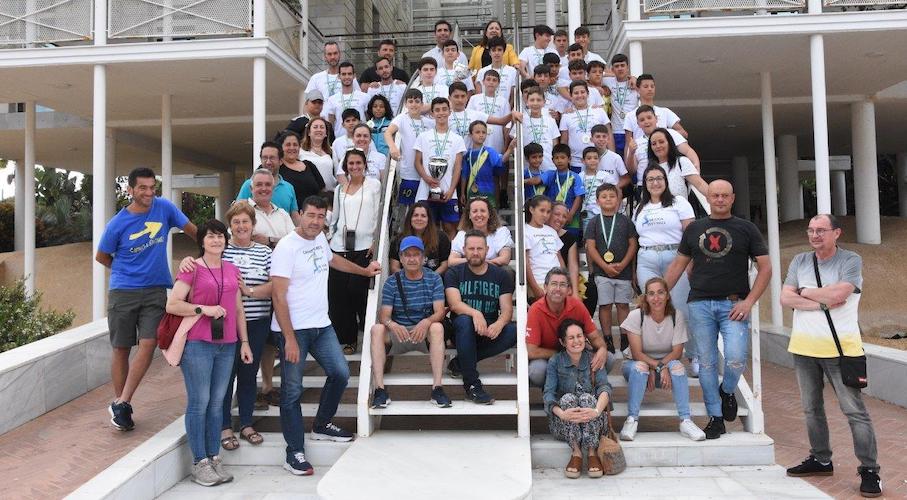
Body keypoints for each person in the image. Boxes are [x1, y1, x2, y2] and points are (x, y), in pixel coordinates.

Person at [271, 195, 381, 476]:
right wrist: (290, 339)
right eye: (311, 215)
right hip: (293, 329)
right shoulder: (286, 247)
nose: (315, 221)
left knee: (341, 372)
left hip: (321, 325)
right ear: (301, 215)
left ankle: (321, 425)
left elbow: (335, 261)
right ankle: (293, 451)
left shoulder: (320, 239)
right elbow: (279, 297)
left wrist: (364, 271)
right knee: (292, 391)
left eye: (321, 217)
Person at [781, 214, 881, 498]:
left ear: (836, 233)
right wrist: (821, 304)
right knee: (811, 409)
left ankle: (870, 470)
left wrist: (804, 292)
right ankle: (821, 459)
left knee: (855, 412)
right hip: (803, 347)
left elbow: (843, 291)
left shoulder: (850, 261)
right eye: (811, 230)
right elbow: (785, 298)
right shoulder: (800, 261)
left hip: (842, 350)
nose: (815, 235)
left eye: (821, 230)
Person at [663, 180, 771, 440]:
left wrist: (749, 302)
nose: (720, 199)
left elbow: (766, 268)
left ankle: (727, 390)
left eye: (724, 195)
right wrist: (656, 295)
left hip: (734, 304)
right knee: (708, 363)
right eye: (715, 195)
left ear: (732, 198)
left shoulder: (747, 228)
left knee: (735, 357)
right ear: (708, 197)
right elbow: (679, 265)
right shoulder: (694, 229)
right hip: (699, 304)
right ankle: (716, 418)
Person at [96, 167, 197, 431]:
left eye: (153, 187)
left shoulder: (164, 208)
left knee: (149, 342)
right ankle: (123, 407)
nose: (149, 192)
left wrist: (212, 249)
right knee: (120, 348)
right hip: (123, 292)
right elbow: (102, 256)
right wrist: (127, 271)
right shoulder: (117, 224)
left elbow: (193, 231)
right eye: (143, 188)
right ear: (130, 190)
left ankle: (122, 401)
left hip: (155, 290)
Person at [166, 219, 251, 486]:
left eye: (220, 236)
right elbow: (172, 304)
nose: (216, 240)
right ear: (201, 241)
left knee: (217, 403)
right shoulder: (192, 269)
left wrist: (244, 342)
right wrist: (204, 309)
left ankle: (214, 458)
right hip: (198, 344)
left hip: (227, 345)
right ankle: (199, 462)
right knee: (199, 402)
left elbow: (238, 309)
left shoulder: (232, 269)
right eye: (211, 237)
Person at [371, 236, 450, 408]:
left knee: (437, 327)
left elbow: (439, 312)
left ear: (423, 258)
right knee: (377, 329)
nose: (412, 259)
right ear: (400, 258)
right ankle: (380, 390)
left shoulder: (434, 279)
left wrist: (426, 322)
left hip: (423, 334)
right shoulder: (392, 281)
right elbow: (384, 316)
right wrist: (393, 325)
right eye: (407, 255)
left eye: (416, 254)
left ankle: (437, 388)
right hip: (398, 332)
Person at [219, 202, 272, 451]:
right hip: (227, 324)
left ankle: (247, 424)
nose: (241, 226)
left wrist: (248, 291)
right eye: (236, 222)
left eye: (245, 221)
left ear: (253, 224)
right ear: (230, 226)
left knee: (249, 374)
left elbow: (275, 285)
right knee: (226, 376)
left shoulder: (265, 252)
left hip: (257, 322)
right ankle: (225, 426)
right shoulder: (221, 251)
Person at [445, 229, 517, 404]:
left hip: (489, 331)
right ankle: (472, 384)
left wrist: (499, 324)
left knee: (514, 331)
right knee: (463, 320)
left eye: (479, 248)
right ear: (464, 249)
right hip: (462, 331)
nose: (475, 252)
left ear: (487, 249)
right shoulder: (454, 273)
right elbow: (454, 304)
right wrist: (475, 313)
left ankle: (461, 363)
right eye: (471, 249)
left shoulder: (500, 275)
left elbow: (507, 310)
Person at [632, 164, 694, 359]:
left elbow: (690, 234)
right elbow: (636, 238)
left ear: (666, 182)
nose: (655, 182)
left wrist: (691, 264)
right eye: (650, 179)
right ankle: (655, 353)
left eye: (659, 178)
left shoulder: (679, 202)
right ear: (645, 184)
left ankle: (693, 354)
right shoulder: (639, 208)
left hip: (675, 257)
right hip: (646, 259)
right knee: (651, 305)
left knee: (681, 307)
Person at [328, 149, 382, 354]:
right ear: (346, 166)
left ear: (364, 164)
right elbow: (335, 219)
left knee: (359, 294)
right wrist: (329, 237)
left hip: (365, 246)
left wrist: (376, 239)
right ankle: (348, 340)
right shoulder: (340, 189)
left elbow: (380, 212)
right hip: (340, 247)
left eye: (358, 163)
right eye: (351, 164)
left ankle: (369, 338)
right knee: (339, 297)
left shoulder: (374, 185)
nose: (355, 167)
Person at [544, 319, 611, 479]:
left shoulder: (593, 358)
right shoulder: (555, 362)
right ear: (562, 341)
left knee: (588, 398)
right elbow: (548, 394)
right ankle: (576, 452)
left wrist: (596, 411)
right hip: (565, 423)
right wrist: (562, 414)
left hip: (593, 422)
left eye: (579, 336)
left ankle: (592, 452)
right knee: (567, 399)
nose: (576, 341)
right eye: (571, 338)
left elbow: (605, 388)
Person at [526, 267, 612, 387]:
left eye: (562, 285)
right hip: (549, 356)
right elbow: (531, 351)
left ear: (569, 290)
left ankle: (585, 389)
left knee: (608, 358)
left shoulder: (577, 306)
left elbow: (594, 337)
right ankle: (554, 395)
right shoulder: (535, 310)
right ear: (545, 287)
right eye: (553, 284)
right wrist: (565, 354)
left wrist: (602, 348)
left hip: (574, 352)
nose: (557, 289)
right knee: (537, 371)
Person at [585, 184, 637, 353]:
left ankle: (624, 336)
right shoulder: (593, 222)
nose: (608, 199)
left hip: (624, 272)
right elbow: (591, 248)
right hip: (602, 272)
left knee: (623, 305)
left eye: (612, 196)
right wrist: (604, 266)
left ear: (618, 199)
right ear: (597, 201)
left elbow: (633, 245)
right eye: (604, 196)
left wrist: (623, 264)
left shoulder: (626, 221)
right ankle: (607, 337)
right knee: (605, 305)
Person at [414, 97, 466, 238]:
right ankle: (428, 259)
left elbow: (457, 167)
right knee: (427, 228)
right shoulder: (423, 136)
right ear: (432, 113)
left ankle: (450, 259)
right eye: (437, 110)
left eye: (444, 109)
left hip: (448, 191)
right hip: (426, 191)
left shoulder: (457, 139)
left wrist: (451, 190)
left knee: (450, 227)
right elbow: (417, 162)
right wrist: (427, 178)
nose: (441, 113)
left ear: (450, 112)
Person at [385, 89, 435, 207]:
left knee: (425, 208)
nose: (414, 104)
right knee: (409, 208)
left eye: (417, 101)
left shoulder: (429, 123)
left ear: (422, 104)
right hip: (409, 172)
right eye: (410, 101)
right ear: (405, 104)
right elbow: (388, 133)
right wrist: (393, 147)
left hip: (427, 172)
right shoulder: (402, 118)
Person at [236, 141, 301, 224]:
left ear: (281, 161)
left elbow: (294, 216)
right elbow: (237, 212)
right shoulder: (249, 185)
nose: (268, 162)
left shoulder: (289, 188)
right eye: (265, 158)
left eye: (272, 158)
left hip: (282, 235)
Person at [560, 81, 612, 173]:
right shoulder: (566, 115)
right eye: (576, 93)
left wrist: (612, 155)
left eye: (582, 92)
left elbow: (609, 135)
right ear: (571, 96)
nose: (580, 95)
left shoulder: (599, 111)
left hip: (599, 160)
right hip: (576, 163)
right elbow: (564, 141)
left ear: (588, 94)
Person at [389, 201, 451, 275]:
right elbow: (394, 267)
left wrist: (430, 279)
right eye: (415, 215)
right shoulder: (398, 240)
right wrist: (410, 280)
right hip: (406, 283)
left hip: (433, 283)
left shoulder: (441, 237)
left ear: (429, 219)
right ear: (410, 218)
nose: (419, 219)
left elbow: (445, 264)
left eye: (423, 216)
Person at [448, 197, 513, 267]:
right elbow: (451, 261)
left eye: (483, 211)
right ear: (469, 215)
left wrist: (481, 263)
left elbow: (504, 259)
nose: (479, 215)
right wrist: (478, 262)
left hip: (494, 272)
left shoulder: (501, 232)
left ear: (489, 214)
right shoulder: (462, 234)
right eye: (475, 211)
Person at [507, 88, 559, 172]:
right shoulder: (521, 120)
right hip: (527, 167)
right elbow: (514, 139)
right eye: (532, 100)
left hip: (549, 166)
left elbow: (555, 144)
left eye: (539, 100)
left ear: (544, 102)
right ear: (527, 102)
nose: (535, 103)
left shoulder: (551, 121)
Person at [624, 74, 688, 143]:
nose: (650, 89)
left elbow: (684, 133)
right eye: (646, 86)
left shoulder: (665, 112)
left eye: (652, 86)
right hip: (641, 152)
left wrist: (664, 135)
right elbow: (628, 144)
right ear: (638, 89)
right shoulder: (630, 116)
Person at [648, 127, 708, 199]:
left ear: (669, 143)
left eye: (661, 142)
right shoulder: (649, 169)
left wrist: (715, 198)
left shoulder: (682, 162)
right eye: (654, 144)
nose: (658, 146)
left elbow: (700, 185)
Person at [525, 195, 565, 300]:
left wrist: (566, 280)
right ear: (531, 209)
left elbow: (559, 258)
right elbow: (526, 262)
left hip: (558, 281)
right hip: (539, 282)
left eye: (548, 212)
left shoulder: (551, 231)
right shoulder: (525, 231)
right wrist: (535, 288)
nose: (545, 215)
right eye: (542, 210)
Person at [543, 144, 585, 238]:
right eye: (556, 158)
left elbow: (579, 197)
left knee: (572, 241)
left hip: (571, 217)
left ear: (569, 159)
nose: (559, 160)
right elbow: (537, 179)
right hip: (553, 217)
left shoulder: (575, 176)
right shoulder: (550, 175)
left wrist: (571, 214)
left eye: (563, 157)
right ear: (552, 160)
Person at [460, 121, 505, 206]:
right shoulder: (467, 155)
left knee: (489, 214)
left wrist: (509, 149)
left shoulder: (490, 151)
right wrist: (462, 193)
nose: (481, 135)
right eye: (477, 132)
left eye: (484, 132)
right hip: (471, 191)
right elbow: (464, 175)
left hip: (488, 190)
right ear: (470, 135)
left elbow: (500, 163)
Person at [602, 54, 638, 157]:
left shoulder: (636, 83)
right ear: (612, 69)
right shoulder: (608, 81)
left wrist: (633, 78)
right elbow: (590, 77)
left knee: (632, 161)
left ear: (628, 67)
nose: (620, 69)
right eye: (617, 66)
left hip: (633, 130)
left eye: (623, 65)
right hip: (616, 131)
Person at [279, 130, 326, 208]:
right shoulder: (276, 168)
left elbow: (322, 191)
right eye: (288, 145)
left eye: (295, 145)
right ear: (281, 147)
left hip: (313, 216)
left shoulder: (309, 165)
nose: (292, 148)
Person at [323, 62, 368, 138]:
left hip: (361, 139)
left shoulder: (364, 97)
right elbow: (330, 124)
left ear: (354, 76)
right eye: (343, 74)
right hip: (340, 141)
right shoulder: (332, 100)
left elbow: (369, 119)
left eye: (349, 74)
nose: (347, 77)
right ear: (338, 76)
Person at [549, 201, 581, 297]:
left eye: (564, 216)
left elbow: (573, 266)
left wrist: (574, 292)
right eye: (557, 214)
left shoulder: (569, 237)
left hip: (562, 277)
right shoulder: (539, 233)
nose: (560, 219)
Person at [298, 117, 337, 193]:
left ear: (326, 133)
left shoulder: (332, 151)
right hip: (308, 195)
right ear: (309, 132)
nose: (319, 130)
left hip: (329, 195)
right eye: (315, 127)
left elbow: (337, 174)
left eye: (322, 127)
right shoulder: (300, 151)